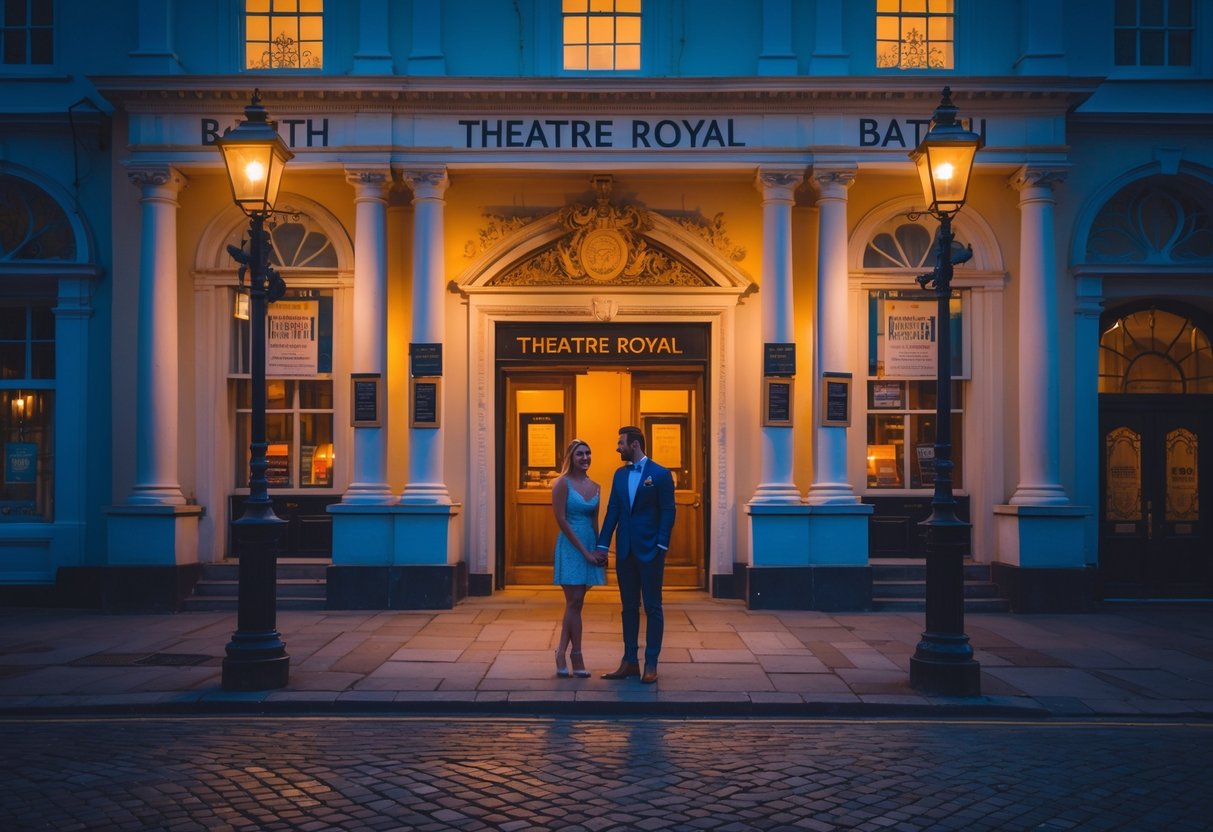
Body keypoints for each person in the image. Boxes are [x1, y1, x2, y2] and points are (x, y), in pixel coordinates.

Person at [595, 425, 676, 684]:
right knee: (628, 607)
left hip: (651, 550)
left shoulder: (661, 475)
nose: (617, 447)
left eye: (621, 443)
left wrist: (662, 545)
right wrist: (602, 545)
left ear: (635, 445)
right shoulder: (619, 475)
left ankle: (651, 663)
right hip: (626, 551)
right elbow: (613, 512)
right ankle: (629, 661)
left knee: (653, 606)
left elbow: (668, 511)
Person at [551, 438, 607, 678]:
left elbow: (595, 521)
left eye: (588, 453)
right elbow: (561, 520)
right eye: (580, 454)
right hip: (570, 546)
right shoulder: (562, 484)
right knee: (574, 603)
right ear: (571, 458)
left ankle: (561, 651)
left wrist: (600, 549)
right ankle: (577, 656)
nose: (585, 458)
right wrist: (584, 552)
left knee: (576, 604)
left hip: (589, 545)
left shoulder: (596, 487)